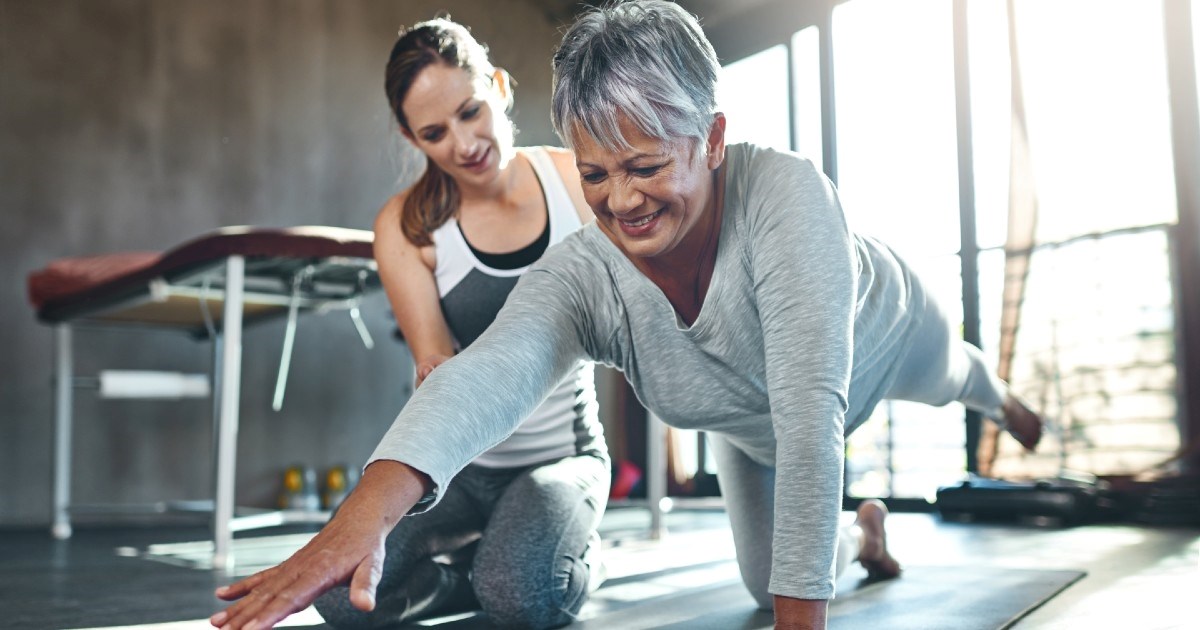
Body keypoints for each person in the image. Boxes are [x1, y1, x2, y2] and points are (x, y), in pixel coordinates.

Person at [210, 2, 1043, 629]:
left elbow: (811, 425)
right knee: (772, 580)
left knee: (957, 376)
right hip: (749, 427)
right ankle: (867, 538)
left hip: (879, 344)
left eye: (645, 166)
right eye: (597, 175)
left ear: (712, 139)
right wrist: (348, 528)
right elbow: (484, 375)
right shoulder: (587, 271)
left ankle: (1001, 397)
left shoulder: (788, 199)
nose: (622, 202)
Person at [310, 17, 607, 630]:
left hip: (558, 457)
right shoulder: (407, 226)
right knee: (338, 592)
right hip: (460, 467)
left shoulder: (574, 184)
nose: (464, 144)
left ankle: (562, 557)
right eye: (434, 133)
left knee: (522, 598)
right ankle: (471, 577)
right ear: (409, 137)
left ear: (498, 85)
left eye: (471, 111)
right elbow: (438, 366)